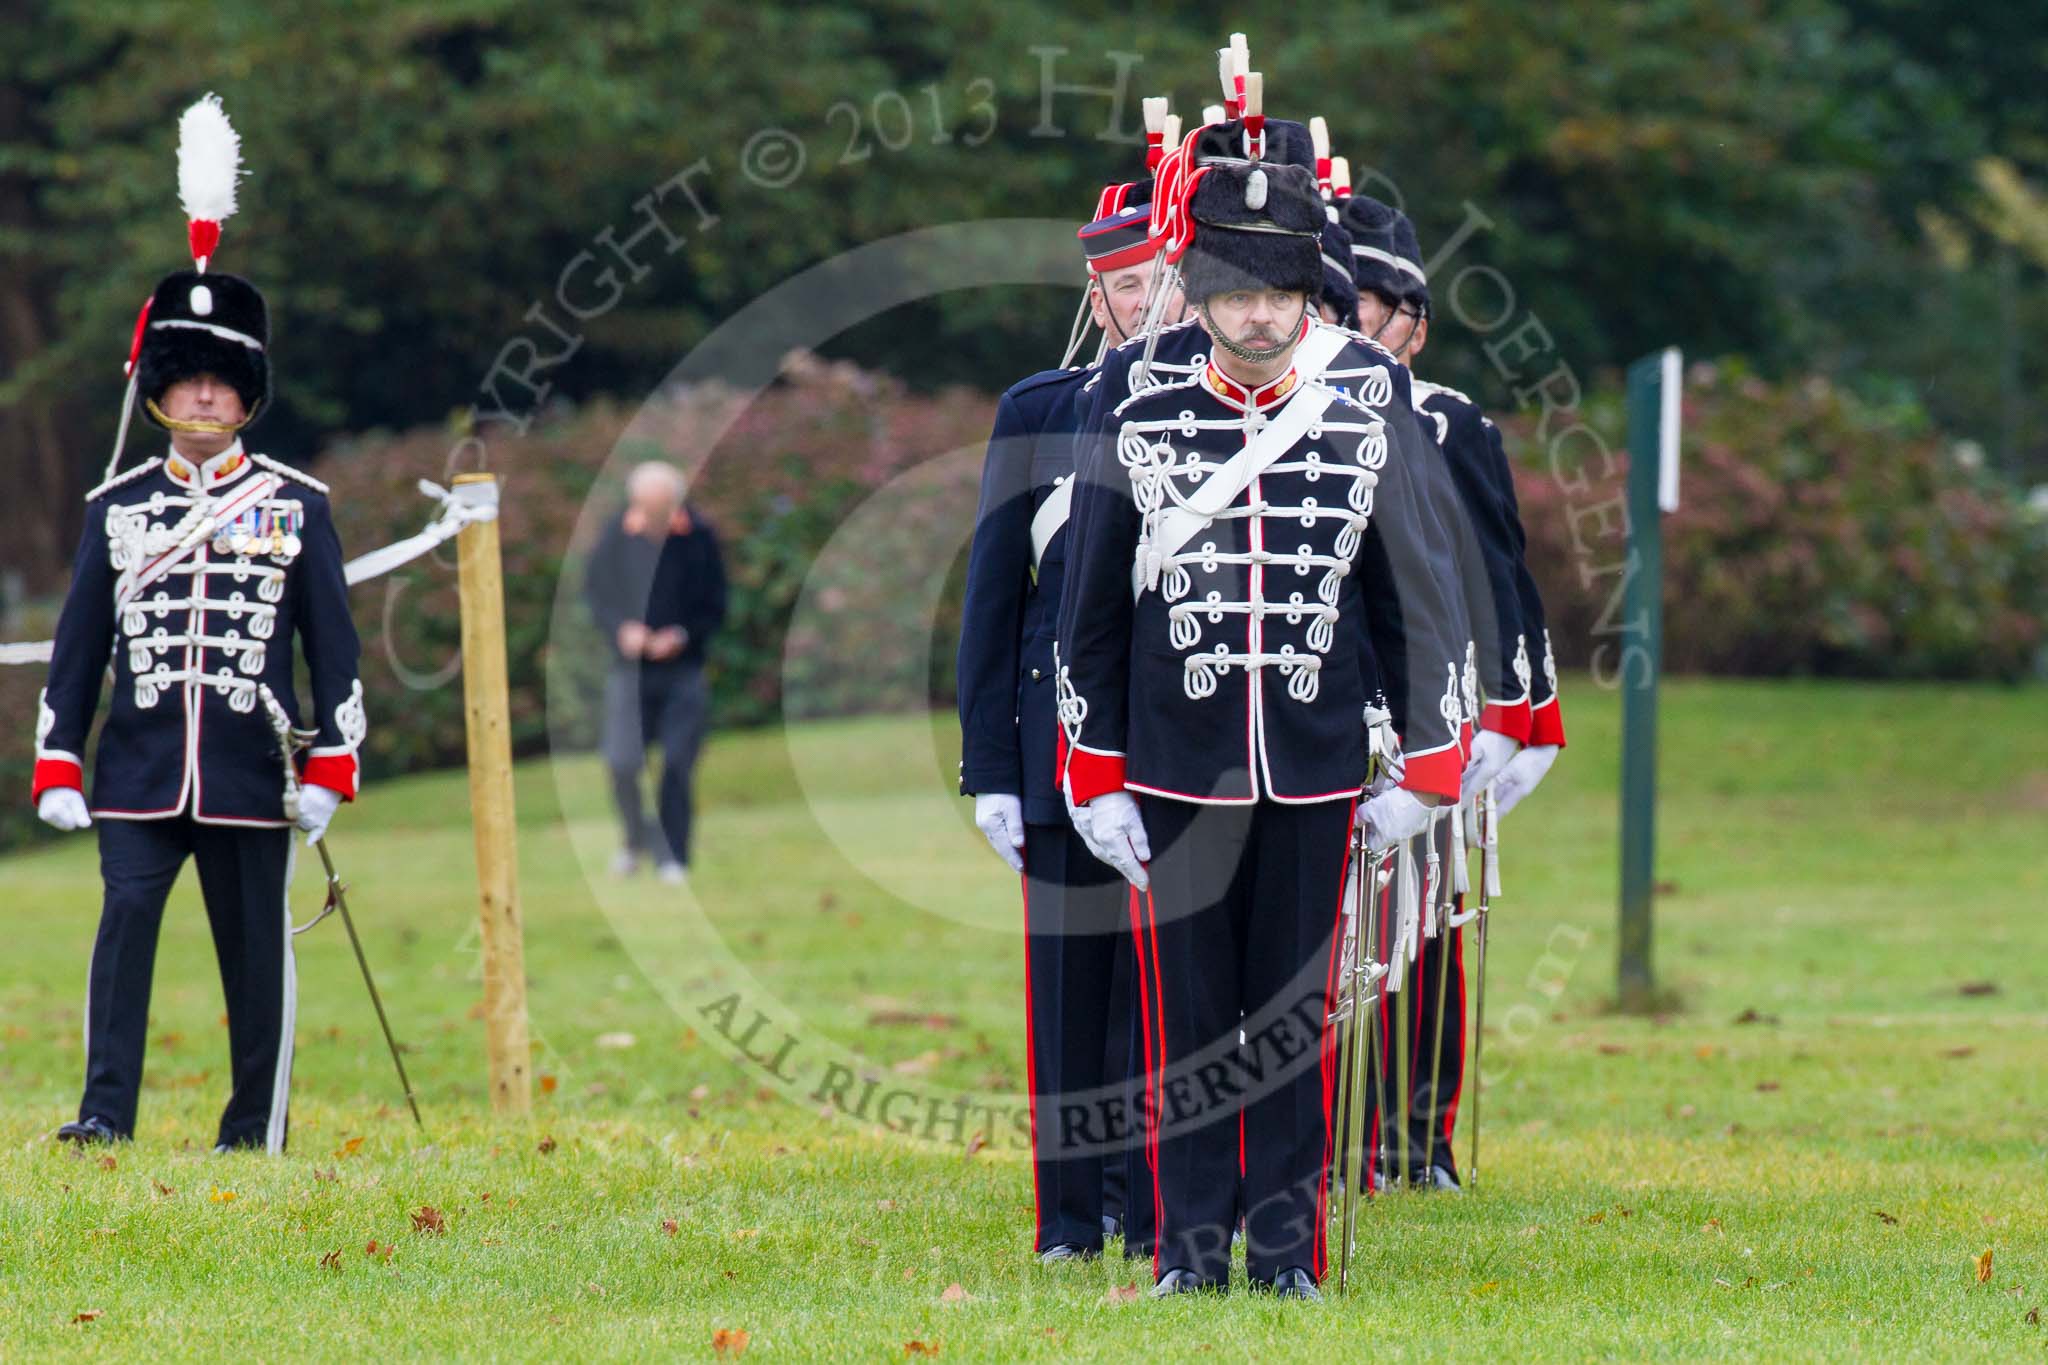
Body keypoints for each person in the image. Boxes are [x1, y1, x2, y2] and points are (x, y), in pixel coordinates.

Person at [1056, 126, 1471, 1300]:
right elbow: (1085, 608)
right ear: (1195, 291)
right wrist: (1091, 775)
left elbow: (1413, 599)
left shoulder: (1365, 401)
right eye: (1235, 293)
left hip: (1314, 760)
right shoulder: (1126, 401)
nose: (1255, 318)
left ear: (1306, 295)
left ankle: (1287, 1252)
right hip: (1178, 765)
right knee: (1184, 1026)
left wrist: (1428, 765)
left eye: (1278, 293)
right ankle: (1190, 1253)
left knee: (1293, 1023)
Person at [31, 97, 364, 1153]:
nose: (207, 397)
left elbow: (334, 646)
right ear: (165, 390)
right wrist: (58, 762)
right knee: (122, 931)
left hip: (245, 770)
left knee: (255, 953)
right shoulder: (114, 508)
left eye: (224, 384)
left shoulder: (298, 504)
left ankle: (250, 1129)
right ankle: (103, 1114)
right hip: (136, 769)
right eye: (190, 380)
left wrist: (329, 767)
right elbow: (80, 648)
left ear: (245, 399)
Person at [957, 177, 1186, 1265]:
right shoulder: (1039, 409)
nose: (1146, 303)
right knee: (1068, 999)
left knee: (1162, 1001)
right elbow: (994, 603)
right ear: (1099, 300)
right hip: (1057, 748)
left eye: (1161, 282)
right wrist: (991, 766)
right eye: (1126, 287)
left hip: (1179, 752)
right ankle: (1068, 1219)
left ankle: (1157, 1209)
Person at [1344, 195, 1569, 1188]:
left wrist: (1507, 716)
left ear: (1411, 324)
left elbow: (1496, 575)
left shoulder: (1445, 422)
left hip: (1426, 712)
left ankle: (1412, 1133)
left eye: (1367, 304)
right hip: (1317, 704)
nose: (1345, 321)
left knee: (1422, 927)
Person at [583, 460, 726, 884]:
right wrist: (622, 630)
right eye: (645, 507)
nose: (651, 517)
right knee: (623, 761)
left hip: (684, 670)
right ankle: (633, 841)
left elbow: (716, 605)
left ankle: (672, 856)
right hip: (630, 671)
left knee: (679, 763)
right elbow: (596, 595)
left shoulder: (700, 538)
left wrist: (681, 635)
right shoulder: (615, 536)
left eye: (660, 508)